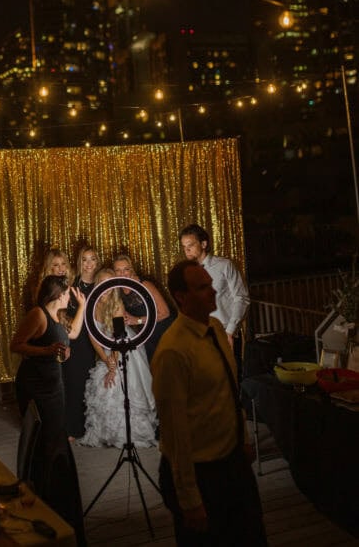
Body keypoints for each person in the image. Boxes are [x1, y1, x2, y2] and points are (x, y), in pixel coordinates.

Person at [151, 258, 267, 547]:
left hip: (232, 462)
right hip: (201, 474)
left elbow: (228, 390)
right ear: (181, 297)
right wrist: (189, 500)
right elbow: (175, 433)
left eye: (210, 284)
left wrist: (242, 437)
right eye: (203, 288)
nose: (213, 291)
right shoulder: (173, 352)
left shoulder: (215, 328)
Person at [10, 274, 86, 544]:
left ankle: (57, 503)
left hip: (54, 385)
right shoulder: (38, 314)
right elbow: (16, 344)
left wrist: (84, 305)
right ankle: (43, 499)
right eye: (67, 293)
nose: (69, 297)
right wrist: (47, 351)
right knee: (47, 442)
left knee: (56, 440)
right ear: (57, 294)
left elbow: (71, 335)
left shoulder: (59, 317)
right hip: (36, 387)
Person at [78, 267, 157, 448]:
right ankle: (106, 432)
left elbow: (118, 338)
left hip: (122, 347)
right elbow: (93, 336)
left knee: (120, 384)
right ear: (97, 284)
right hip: (105, 350)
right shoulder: (91, 304)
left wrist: (113, 367)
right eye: (102, 284)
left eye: (110, 285)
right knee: (103, 384)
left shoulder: (117, 305)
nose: (106, 289)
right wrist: (106, 361)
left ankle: (127, 434)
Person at [179, 224, 250, 371]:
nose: (187, 250)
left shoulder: (225, 266)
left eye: (190, 245)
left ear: (204, 244)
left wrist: (230, 332)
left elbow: (241, 298)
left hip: (224, 333)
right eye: (184, 247)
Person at [62, 245, 99, 440]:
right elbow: (64, 315)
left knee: (95, 383)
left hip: (99, 337)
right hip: (78, 339)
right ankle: (73, 428)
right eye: (84, 259)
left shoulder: (102, 282)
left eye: (92, 259)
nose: (88, 264)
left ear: (97, 261)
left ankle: (92, 427)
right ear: (79, 262)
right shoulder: (72, 285)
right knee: (76, 382)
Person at [112, 254, 177, 363]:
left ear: (131, 270)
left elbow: (165, 313)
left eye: (126, 269)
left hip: (165, 330)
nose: (122, 273)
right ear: (114, 273)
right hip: (148, 334)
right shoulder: (116, 290)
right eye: (118, 270)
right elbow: (122, 317)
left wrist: (137, 320)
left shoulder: (144, 284)